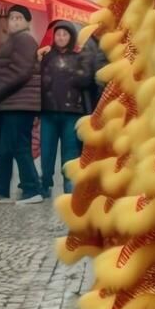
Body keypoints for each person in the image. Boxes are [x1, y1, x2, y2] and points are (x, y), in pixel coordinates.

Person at [0, 5, 42, 205]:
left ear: (27, 22)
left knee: (19, 146)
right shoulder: (14, 40)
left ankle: (32, 189)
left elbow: (21, 72)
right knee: (5, 148)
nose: (14, 21)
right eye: (12, 18)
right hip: (9, 102)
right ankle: (1, 190)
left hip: (19, 102)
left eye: (19, 18)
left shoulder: (25, 40)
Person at [39, 21, 91, 197]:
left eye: (65, 34)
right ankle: (45, 183)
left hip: (72, 113)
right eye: (58, 34)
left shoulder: (79, 57)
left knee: (70, 152)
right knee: (47, 150)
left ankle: (69, 186)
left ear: (71, 37)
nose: (61, 37)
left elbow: (85, 80)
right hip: (48, 111)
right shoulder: (47, 57)